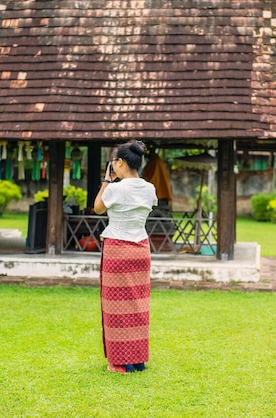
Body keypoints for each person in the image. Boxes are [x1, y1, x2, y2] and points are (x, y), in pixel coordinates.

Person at [94, 140, 158, 374]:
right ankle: (138, 360)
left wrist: (106, 181)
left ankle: (121, 363)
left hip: (117, 250)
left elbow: (98, 208)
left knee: (116, 307)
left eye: (115, 164)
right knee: (138, 306)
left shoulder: (114, 188)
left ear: (119, 163)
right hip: (141, 249)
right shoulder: (150, 188)